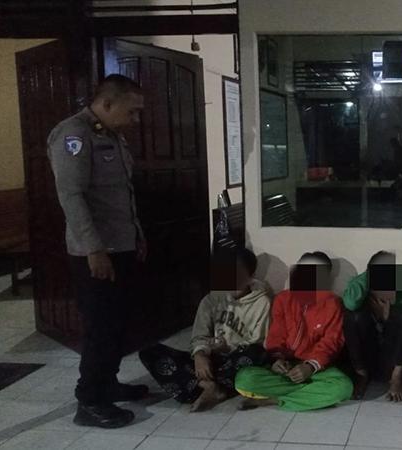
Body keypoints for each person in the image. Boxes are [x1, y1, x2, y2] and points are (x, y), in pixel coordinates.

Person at [47, 74, 147, 428]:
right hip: (97, 253)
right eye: (131, 111)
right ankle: (89, 401)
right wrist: (94, 249)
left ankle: (108, 383)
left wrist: (137, 236)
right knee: (100, 327)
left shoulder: (112, 135)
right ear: (107, 103)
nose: (136, 119)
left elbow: (121, 194)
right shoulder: (73, 135)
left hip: (121, 245)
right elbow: (71, 197)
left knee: (118, 323)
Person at [138, 247, 272, 412]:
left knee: (256, 354)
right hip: (211, 359)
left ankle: (203, 387)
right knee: (149, 352)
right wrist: (200, 354)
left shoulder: (262, 302)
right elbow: (199, 335)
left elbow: (258, 342)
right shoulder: (211, 299)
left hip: (235, 362)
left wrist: (228, 348)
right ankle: (209, 387)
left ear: (250, 275)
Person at [234, 252, 353, 411]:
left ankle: (273, 400)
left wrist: (310, 367)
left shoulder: (333, 304)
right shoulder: (283, 299)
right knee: (244, 379)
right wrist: (277, 360)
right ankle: (306, 395)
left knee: (344, 388)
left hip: (315, 369)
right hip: (285, 367)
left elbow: (331, 343)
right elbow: (276, 336)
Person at [342, 251, 402, 401]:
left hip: (396, 358)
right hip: (369, 354)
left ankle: (397, 376)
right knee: (352, 316)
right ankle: (361, 374)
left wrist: (390, 316)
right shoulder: (362, 289)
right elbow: (350, 303)